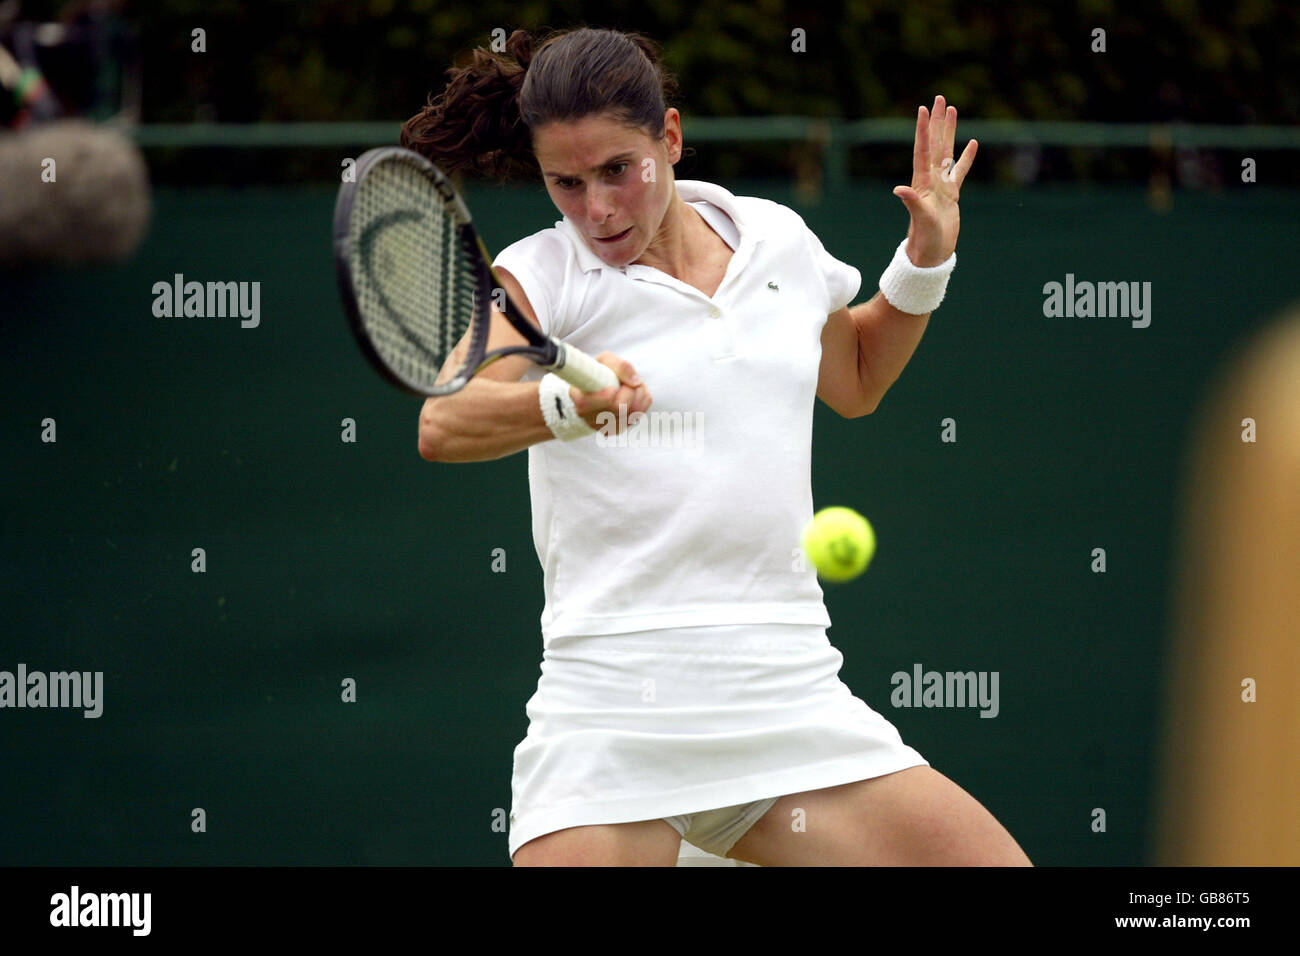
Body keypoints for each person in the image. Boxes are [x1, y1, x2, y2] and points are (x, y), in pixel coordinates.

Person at [407, 26, 1031, 867]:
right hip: (612, 706)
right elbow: (444, 421)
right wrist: (564, 405)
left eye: (618, 170)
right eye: (567, 182)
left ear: (668, 136)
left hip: (784, 688)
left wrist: (924, 262)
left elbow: (854, 377)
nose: (597, 208)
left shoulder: (777, 240)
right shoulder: (542, 274)